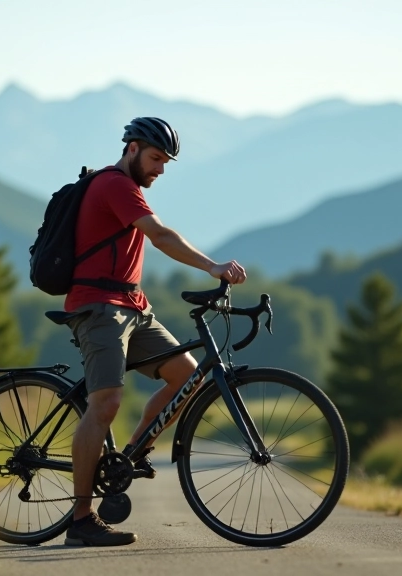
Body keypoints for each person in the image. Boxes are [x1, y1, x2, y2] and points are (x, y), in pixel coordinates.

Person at [63, 117, 247, 546]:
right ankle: (80, 519)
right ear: (131, 149)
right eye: (155, 158)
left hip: (133, 307)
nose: (160, 169)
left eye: (165, 161)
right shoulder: (114, 185)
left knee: (188, 375)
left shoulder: (131, 189)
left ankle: (125, 458)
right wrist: (212, 266)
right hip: (98, 307)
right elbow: (161, 236)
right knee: (105, 402)